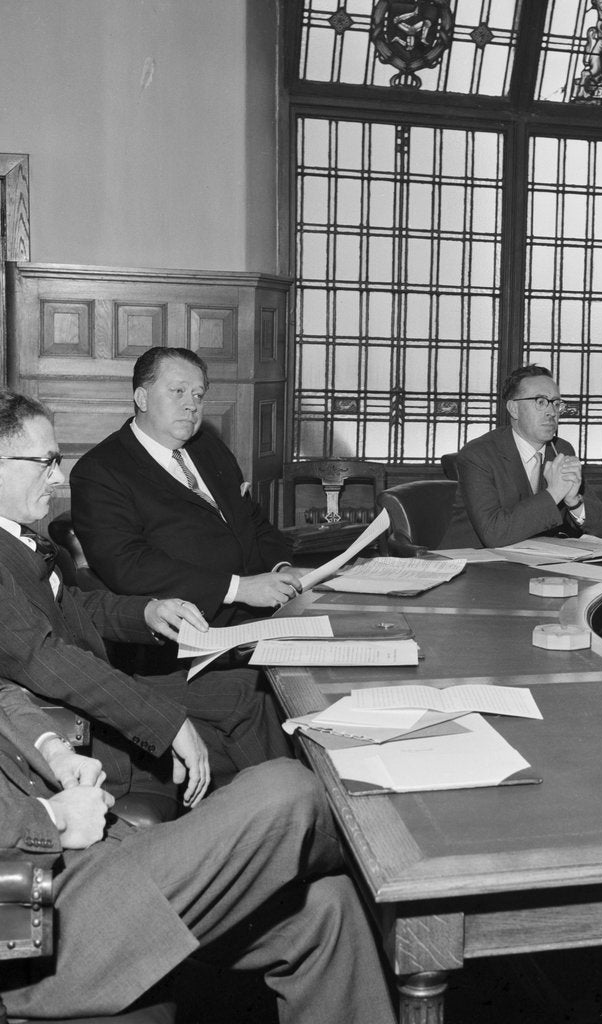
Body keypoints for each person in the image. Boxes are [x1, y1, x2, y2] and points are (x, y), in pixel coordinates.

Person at [0, 685, 396, 1023]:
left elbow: (4, 694)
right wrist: (54, 818)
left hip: (75, 861)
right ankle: (404, 858)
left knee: (329, 905)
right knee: (287, 792)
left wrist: (54, 751)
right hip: (20, 916)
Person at [0, 390, 290, 804]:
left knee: (248, 691)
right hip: (76, 728)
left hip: (92, 687)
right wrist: (167, 723)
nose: (58, 478)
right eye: (46, 462)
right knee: (280, 780)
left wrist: (149, 611)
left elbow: (71, 607)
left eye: (57, 462)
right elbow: (47, 659)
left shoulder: (15, 537)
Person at [70, 347, 304, 629]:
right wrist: (237, 588)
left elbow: (252, 520)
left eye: (198, 395)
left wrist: (283, 569)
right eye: (178, 391)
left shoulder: (209, 446)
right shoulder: (100, 470)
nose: (191, 405)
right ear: (141, 398)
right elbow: (128, 565)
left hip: (266, 610)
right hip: (192, 629)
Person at [440, 364, 602, 548]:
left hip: (536, 563)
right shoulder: (477, 455)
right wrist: (554, 492)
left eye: (556, 403)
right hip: (474, 565)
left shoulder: (561, 449)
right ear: (514, 409)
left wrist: (574, 502)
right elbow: (494, 535)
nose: (552, 412)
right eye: (540, 402)